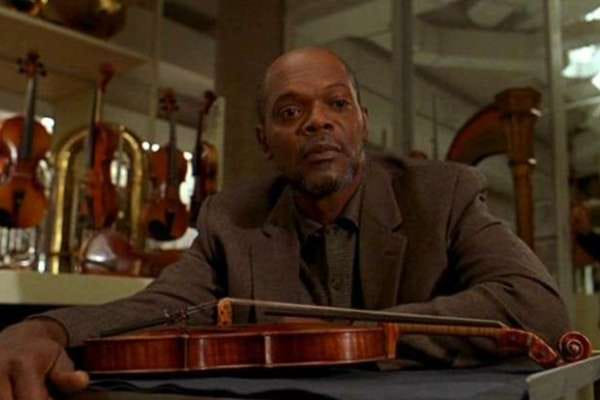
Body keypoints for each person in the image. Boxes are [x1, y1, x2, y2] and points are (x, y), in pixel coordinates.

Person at [0, 47, 569, 399]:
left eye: (337, 104)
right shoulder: (230, 219)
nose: (318, 122)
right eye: (291, 112)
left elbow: (535, 306)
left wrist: (359, 336)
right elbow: (162, 304)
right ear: (265, 142)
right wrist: (50, 329)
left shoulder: (442, 193)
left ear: (362, 122)